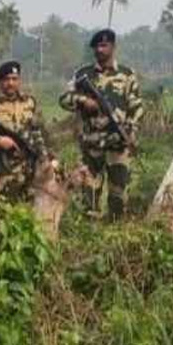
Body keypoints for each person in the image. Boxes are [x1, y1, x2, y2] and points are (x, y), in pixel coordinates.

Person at [59, 30, 144, 220]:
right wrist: (82, 100)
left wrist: (131, 129)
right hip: (92, 146)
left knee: (118, 196)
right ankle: (90, 234)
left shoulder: (126, 74)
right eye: (97, 46)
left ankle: (115, 231)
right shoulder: (83, 74)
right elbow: (64, 99)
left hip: (118, 145)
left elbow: (137, 107)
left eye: (104, 46)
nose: (100, 50)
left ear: (113, 47)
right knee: (89, 196)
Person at [0, 61, 52, 202]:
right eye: (7, 79)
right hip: (4, 169)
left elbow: (39, 131)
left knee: (31, 210)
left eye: (14, 79)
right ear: (0, 82)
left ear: (19, 80)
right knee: (4, 209)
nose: (11, 83)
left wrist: (46, 158)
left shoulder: (29, 102)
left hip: (30, 167)